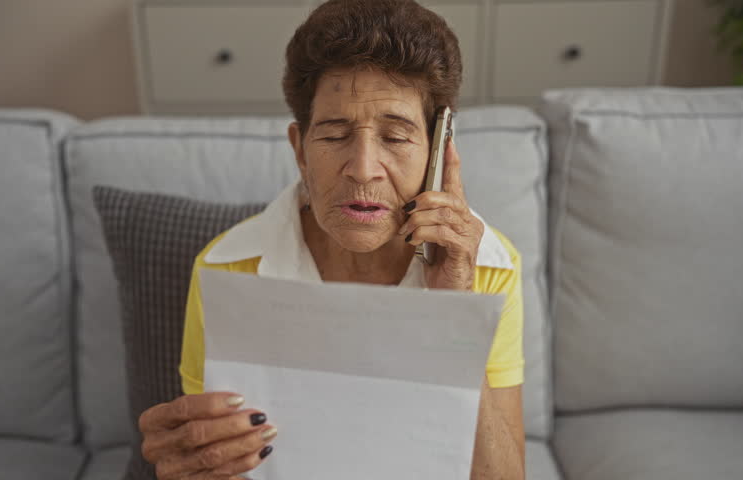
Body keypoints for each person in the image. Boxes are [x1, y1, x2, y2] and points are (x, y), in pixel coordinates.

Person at [138, 0, 525, 478]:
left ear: (438, 153)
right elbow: (215, 461)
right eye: (334, 134)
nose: (363, 168)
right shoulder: (224, 269)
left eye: (396, 137)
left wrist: (455, 309)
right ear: (300, 151)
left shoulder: (487, 266)